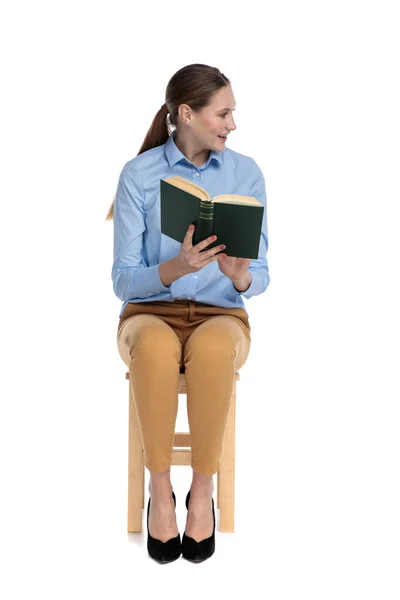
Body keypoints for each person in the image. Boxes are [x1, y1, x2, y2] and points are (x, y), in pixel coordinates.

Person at [106, 63, 270, 563]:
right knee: (154, 348)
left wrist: (239, 273)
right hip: (148, 312)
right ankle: (160, 491)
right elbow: (121, 281)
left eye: (232, 113)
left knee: (216, 346)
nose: (232, 124)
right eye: (223, 113)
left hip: (221, 316)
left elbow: (259, 277)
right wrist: (174, 268)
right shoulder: (139, 175)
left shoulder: (247, 174)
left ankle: (202, 493)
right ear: (187, 114)